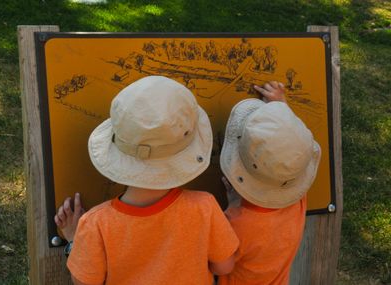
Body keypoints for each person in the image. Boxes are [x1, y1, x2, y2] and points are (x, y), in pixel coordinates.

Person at [55, 76, 239, 285]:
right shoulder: (204, 206)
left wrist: (73, 241)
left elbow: (84, 283)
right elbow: (225, 266)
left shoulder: (95, 224)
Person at [217, 81, 321, 285]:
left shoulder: (236, 223)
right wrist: (282, 106)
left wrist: (231, 205)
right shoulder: (296, 202)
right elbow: (292, 151)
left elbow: (222, 266)